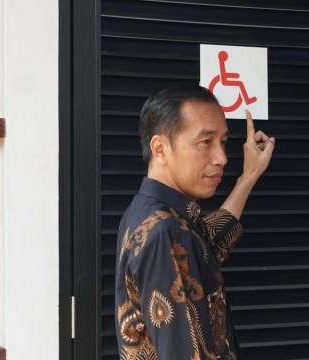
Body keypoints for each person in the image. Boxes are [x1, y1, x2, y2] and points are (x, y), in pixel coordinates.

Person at [114, 85, 275, 360]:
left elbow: (206, 247)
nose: (222, 158)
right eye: (206, 142)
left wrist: (249, 176)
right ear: (160, 148)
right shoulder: (164, 231)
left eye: (223, 142)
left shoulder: (152, 212)